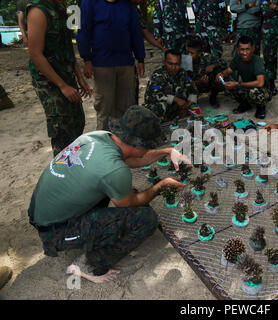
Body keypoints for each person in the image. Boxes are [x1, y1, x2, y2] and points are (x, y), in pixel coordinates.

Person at [27, 105, 189, 283]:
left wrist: (168, 151)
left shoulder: (97, 136)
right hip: (54, 232)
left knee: (113, 187)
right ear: (138, 146)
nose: (149, 149)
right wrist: (160, 186)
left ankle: (84, 234)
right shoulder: (113, 170)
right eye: (149, 146)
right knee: (146, 218)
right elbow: (130, 202)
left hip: (40, 213)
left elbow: (135, 157)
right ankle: (88, 264)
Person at [27, 0, 92, 157]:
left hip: (66, 75)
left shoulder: (63, 9)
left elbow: (67, 48)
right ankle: (62, 173)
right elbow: (35, 53)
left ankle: (74, 165)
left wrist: (80, 78)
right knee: (62, 129)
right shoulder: (38, 11)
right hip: (48, 82)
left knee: (77, 121)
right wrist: (62, 86)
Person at [77, 0, 145, 131]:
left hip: (126, 64)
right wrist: (87, 60)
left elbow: (135, 32)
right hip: (102, 65)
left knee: (126, 108)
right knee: (104, 108)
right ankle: (104, 145)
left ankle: (125, 144)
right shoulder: (89, 3)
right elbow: (84, 31)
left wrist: (140, 58)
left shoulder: (128, 4)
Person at [216, 36, 271, 119]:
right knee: (227, 83)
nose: (244, 53)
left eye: (247, 49)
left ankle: (261, 107)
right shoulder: (237, 59)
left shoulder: (257, 61)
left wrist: (238, 84)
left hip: (262, 90)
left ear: (252, 49)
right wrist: (221, 75)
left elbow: (260, 83)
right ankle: (246, 104)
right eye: (242, 49)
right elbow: (228, 71)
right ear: (238, 50)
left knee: (255, 92)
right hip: (245, 87)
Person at [144, 50, 198, 123]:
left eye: (177, 64)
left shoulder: (183, 73)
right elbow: (153, 95)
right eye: (170, 63)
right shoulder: (158, 75)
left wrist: (187, 106)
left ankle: (176, 116)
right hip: (160, 107)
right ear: (164, 62)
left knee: (194, 107)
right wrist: (175, 99)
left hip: (175, 107)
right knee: (161, 107)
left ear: (181, 64)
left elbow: (193, 90)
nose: (173, 67)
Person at [186, 38, 227, 108]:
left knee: (217, 72)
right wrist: (198, 82)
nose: (189, 55)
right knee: (189, 102)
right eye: (188, 52)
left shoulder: (207, 56)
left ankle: (213, 97)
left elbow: (223, 63)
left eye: (192, 53)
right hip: (195, 85)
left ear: (199, 53)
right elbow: (185, 80)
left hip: (208, 83)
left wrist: (213, 66)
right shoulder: (186, 61)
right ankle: (192, 100)